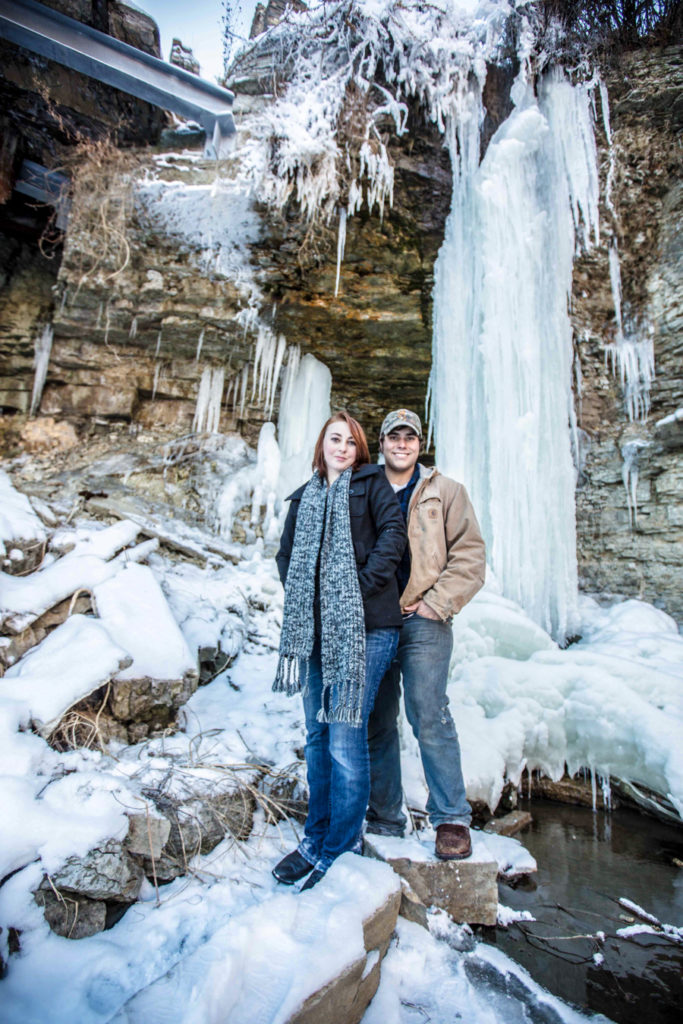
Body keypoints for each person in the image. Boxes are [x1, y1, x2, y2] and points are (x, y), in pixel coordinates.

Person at [272, 411, 407, 889]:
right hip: (313, 632)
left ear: (361, 451)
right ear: (322, 445)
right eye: (335, 439)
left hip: (367, 627)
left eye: (351, 442)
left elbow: (394, 537)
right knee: (317, 735)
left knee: (346, 736)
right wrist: (308, 599)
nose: (343, 448)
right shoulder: (304, 497)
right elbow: (285, 555)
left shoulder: (373, 487)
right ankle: (316, 838)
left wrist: (358, 587)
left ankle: (341, 847)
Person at [367, 409, 486, 859]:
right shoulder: (363, 484)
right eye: (393, 436)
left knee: (429, 714)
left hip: (423, 619)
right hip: (373, 620)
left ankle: (451, 818)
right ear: (381, 443)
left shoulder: (447, 491)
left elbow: (470, 556)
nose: (402, 443)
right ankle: (383, 816)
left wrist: (437, 604)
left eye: (410, 437)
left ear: (421, 444)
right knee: (377, 719)